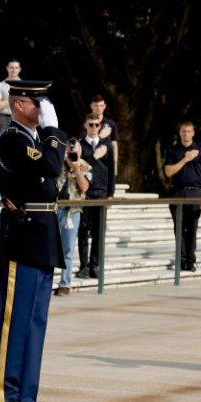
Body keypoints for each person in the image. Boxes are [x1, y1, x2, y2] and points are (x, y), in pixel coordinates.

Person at [0, 80, 66, 402]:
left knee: (36, 322)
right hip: (23, 237)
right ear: (20, 105)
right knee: (15, 321)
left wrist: (51, 138)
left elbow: (52, 183)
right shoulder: (12, 139)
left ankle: (27, 396)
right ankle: (6, 398)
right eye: (40, 103)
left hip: (43, 236)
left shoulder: (35, 140)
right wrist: (53, 131)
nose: (44, 109)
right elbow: (51, 168)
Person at [164, 120, 201, 272]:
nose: (186, 134)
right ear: (180, 133)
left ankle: (190, 260)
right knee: (178, 228)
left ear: (193, 133)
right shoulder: (173, 150)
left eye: (189, 131)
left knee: (191, 229)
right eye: (183, 131)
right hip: (177, 192)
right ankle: (181, 259)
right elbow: (168, 172)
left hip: (195, 192)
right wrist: (185, 159)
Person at [76, 112, 116, 279]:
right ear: (85, 125)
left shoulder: (107, 146)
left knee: (99, 231)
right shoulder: (80, 145)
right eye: (90, 124)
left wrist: (110, 194)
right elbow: (78, 166)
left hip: (100, 192)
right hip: (84, 192)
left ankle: (95, 265)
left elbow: (111, 171)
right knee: (83, 231)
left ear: (100, 126)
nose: (93, 128)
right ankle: (84, 266)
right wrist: (92, 157)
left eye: (96, 125)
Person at [55, 139, 90, 296]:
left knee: (67, 249)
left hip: (72, 211)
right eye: (70, 151)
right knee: (50, 246)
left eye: (74, 152)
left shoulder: (85, 165)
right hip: (54, 209)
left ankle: (65, 283)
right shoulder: (58, 162)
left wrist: (76, 169)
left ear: (80, 152)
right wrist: (61, 159)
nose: (72, 154)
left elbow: (85, 187)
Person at [90, 94, 121, 175]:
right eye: (96, 105)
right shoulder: (86, 124)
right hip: (91, 162)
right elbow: (82, 143)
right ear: (91, 106)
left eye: (101, 106)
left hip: (107, 164)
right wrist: (100, 135)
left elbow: (114, 146)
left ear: (104, 106)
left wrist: (115, 166)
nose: (98, 108)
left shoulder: (111, 124)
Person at [0, 59, 22, 136]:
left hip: (21, 118)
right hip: (5, 118)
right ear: (7, 68)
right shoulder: (1, 85)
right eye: (11, 67)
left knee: (20, 145)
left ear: (19, 69)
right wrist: (12, 99)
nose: (14, 70)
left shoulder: (25, 86)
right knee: (2, 145)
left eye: (16, 67)